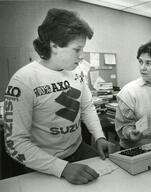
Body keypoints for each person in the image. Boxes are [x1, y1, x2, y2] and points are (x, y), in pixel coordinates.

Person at [3, 8, 114, 185]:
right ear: (54, 45)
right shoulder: (23, 81)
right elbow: (14, 143)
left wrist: (100, 136)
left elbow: (86, 106)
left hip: (78, 150)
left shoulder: (77, 70)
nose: (81, 55)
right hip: (43, 162)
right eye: (77, 49)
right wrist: (62, 168)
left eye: (83, 49)